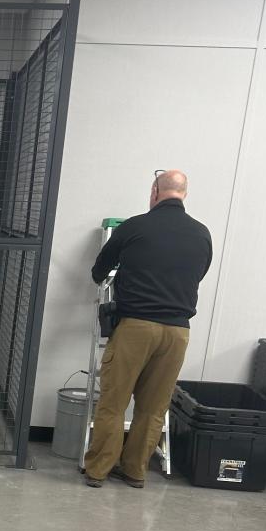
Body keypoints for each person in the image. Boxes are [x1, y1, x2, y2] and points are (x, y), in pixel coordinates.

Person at [84, 169, 212, 489]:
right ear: (184, 194)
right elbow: (199, 274)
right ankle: (135, 471)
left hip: (135, 327)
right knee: (154, 408)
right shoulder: (202, 233)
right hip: (177, 333)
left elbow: (100, 271)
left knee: (113, 402)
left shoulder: (134, 226)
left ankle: (98, 470)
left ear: (155, 192)